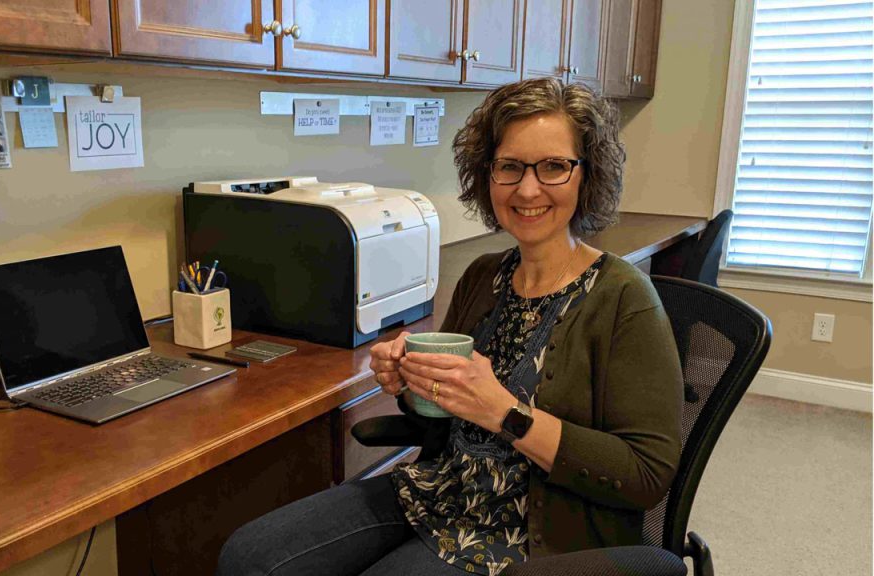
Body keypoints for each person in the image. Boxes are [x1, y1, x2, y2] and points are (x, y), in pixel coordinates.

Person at [216, 78, 683, 576]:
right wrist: (407, 382)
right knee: (249, 556)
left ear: (587, 176)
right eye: (509, 167)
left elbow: (646, 473)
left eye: (553, 166)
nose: (528, 188)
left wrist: (507, 413)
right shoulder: (485, 276)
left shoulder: (625, 299)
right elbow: (438, 417)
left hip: (530, 530)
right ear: (488, 175)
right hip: (440, 488)